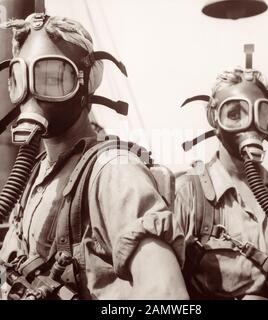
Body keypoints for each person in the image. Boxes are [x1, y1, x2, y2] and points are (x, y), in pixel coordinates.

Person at [0, 13, 188, 300]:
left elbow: (167, 296)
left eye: (52, 78)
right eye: (20, 79)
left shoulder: (114, 172)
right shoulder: (35, 177)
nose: (32, 95)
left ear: (87, 82)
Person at [175, 65, 268, 300]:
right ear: (214, 119)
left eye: (260, 114)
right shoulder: (189, 196)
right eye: (234, 114)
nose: (249, 125)